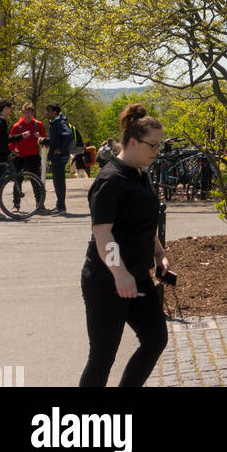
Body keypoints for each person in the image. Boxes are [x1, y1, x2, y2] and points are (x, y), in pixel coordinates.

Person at [79, 102, 171, 388]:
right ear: (133, 141)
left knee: (156, 339)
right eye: (153, 146)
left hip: (138, 277)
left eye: (160, 146)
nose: (157, 153)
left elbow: (144, 222)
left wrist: (159, 254)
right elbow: (103, 233)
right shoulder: (110, 180)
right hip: (106, 282)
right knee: (103, 357)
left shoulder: (141, 174)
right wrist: (120, 273)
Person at [8, 102, 47, 211]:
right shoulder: (17, 126)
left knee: (36, 181)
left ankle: (40, 204)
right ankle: (16, 205)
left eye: (29, 112)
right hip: (19, 157)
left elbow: (45, 141)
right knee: (17, 181)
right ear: (22, 112)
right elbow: (10, 141)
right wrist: (13, 151)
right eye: (25, 112)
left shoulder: (38, 125)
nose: (27, 115)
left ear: (32, 112)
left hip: (33, 156)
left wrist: (39, 137)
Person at [44, 103, 74, 213]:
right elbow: (56, 139)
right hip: (58, 155)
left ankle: (61, 207)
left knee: (59, 181)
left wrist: (60, 149)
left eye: (49, 111)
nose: (47, 113)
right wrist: (44, 140)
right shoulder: (56, 122)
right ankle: (60, 205)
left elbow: (68, 135)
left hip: (59, 156)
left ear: (55, 112)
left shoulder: (60, 122)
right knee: (57, 181)